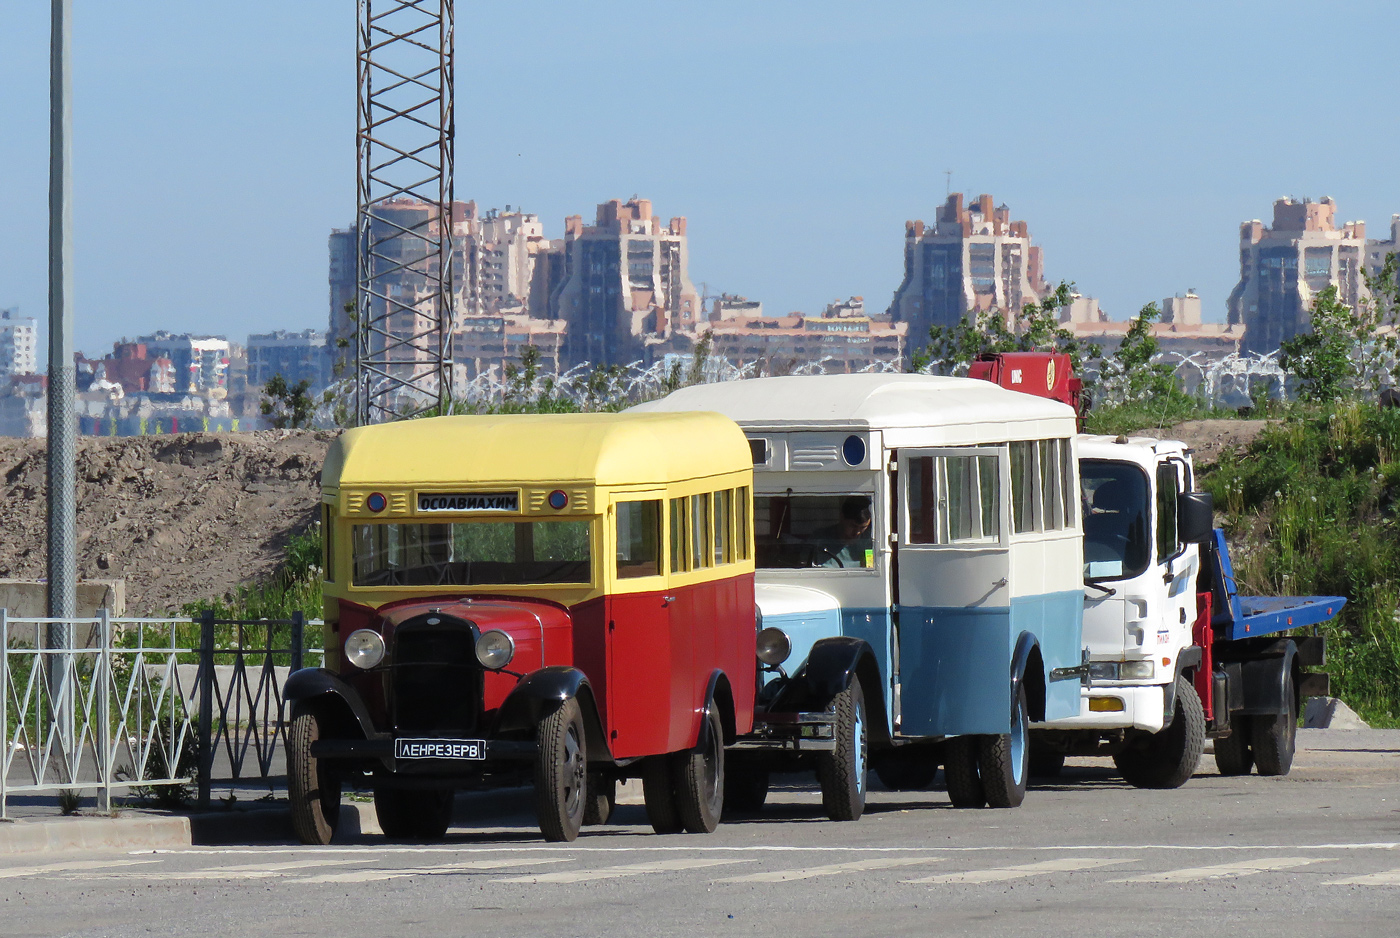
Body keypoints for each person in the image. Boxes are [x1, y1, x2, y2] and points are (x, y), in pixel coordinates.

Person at [811, 495, 874, 568]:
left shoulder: (872, 540)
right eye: (853, 526)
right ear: (841, 517)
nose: (857, 532)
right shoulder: (820, 538)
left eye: (863, 527)